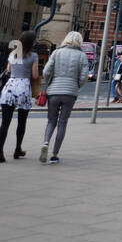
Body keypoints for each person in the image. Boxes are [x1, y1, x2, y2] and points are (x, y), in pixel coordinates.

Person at [39, 31, 90, 164]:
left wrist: (49, 82)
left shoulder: (56, 53)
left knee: (51, 121)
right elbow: (84, 76)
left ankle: (45, 142)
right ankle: (55, 154)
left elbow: (45, 71)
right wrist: (77, 85)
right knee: (62, 122)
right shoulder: (82, 55)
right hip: (70, 92)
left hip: (54, 91)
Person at [0, 32, 39, 161]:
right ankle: (17, 149)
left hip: (10, 88)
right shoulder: (33, 56)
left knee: (5, 122)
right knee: (22, 121)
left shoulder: (13, 54)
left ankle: (0, 152)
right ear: (31, 43)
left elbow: (9, 70)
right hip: (23, 89)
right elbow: (34, 75)